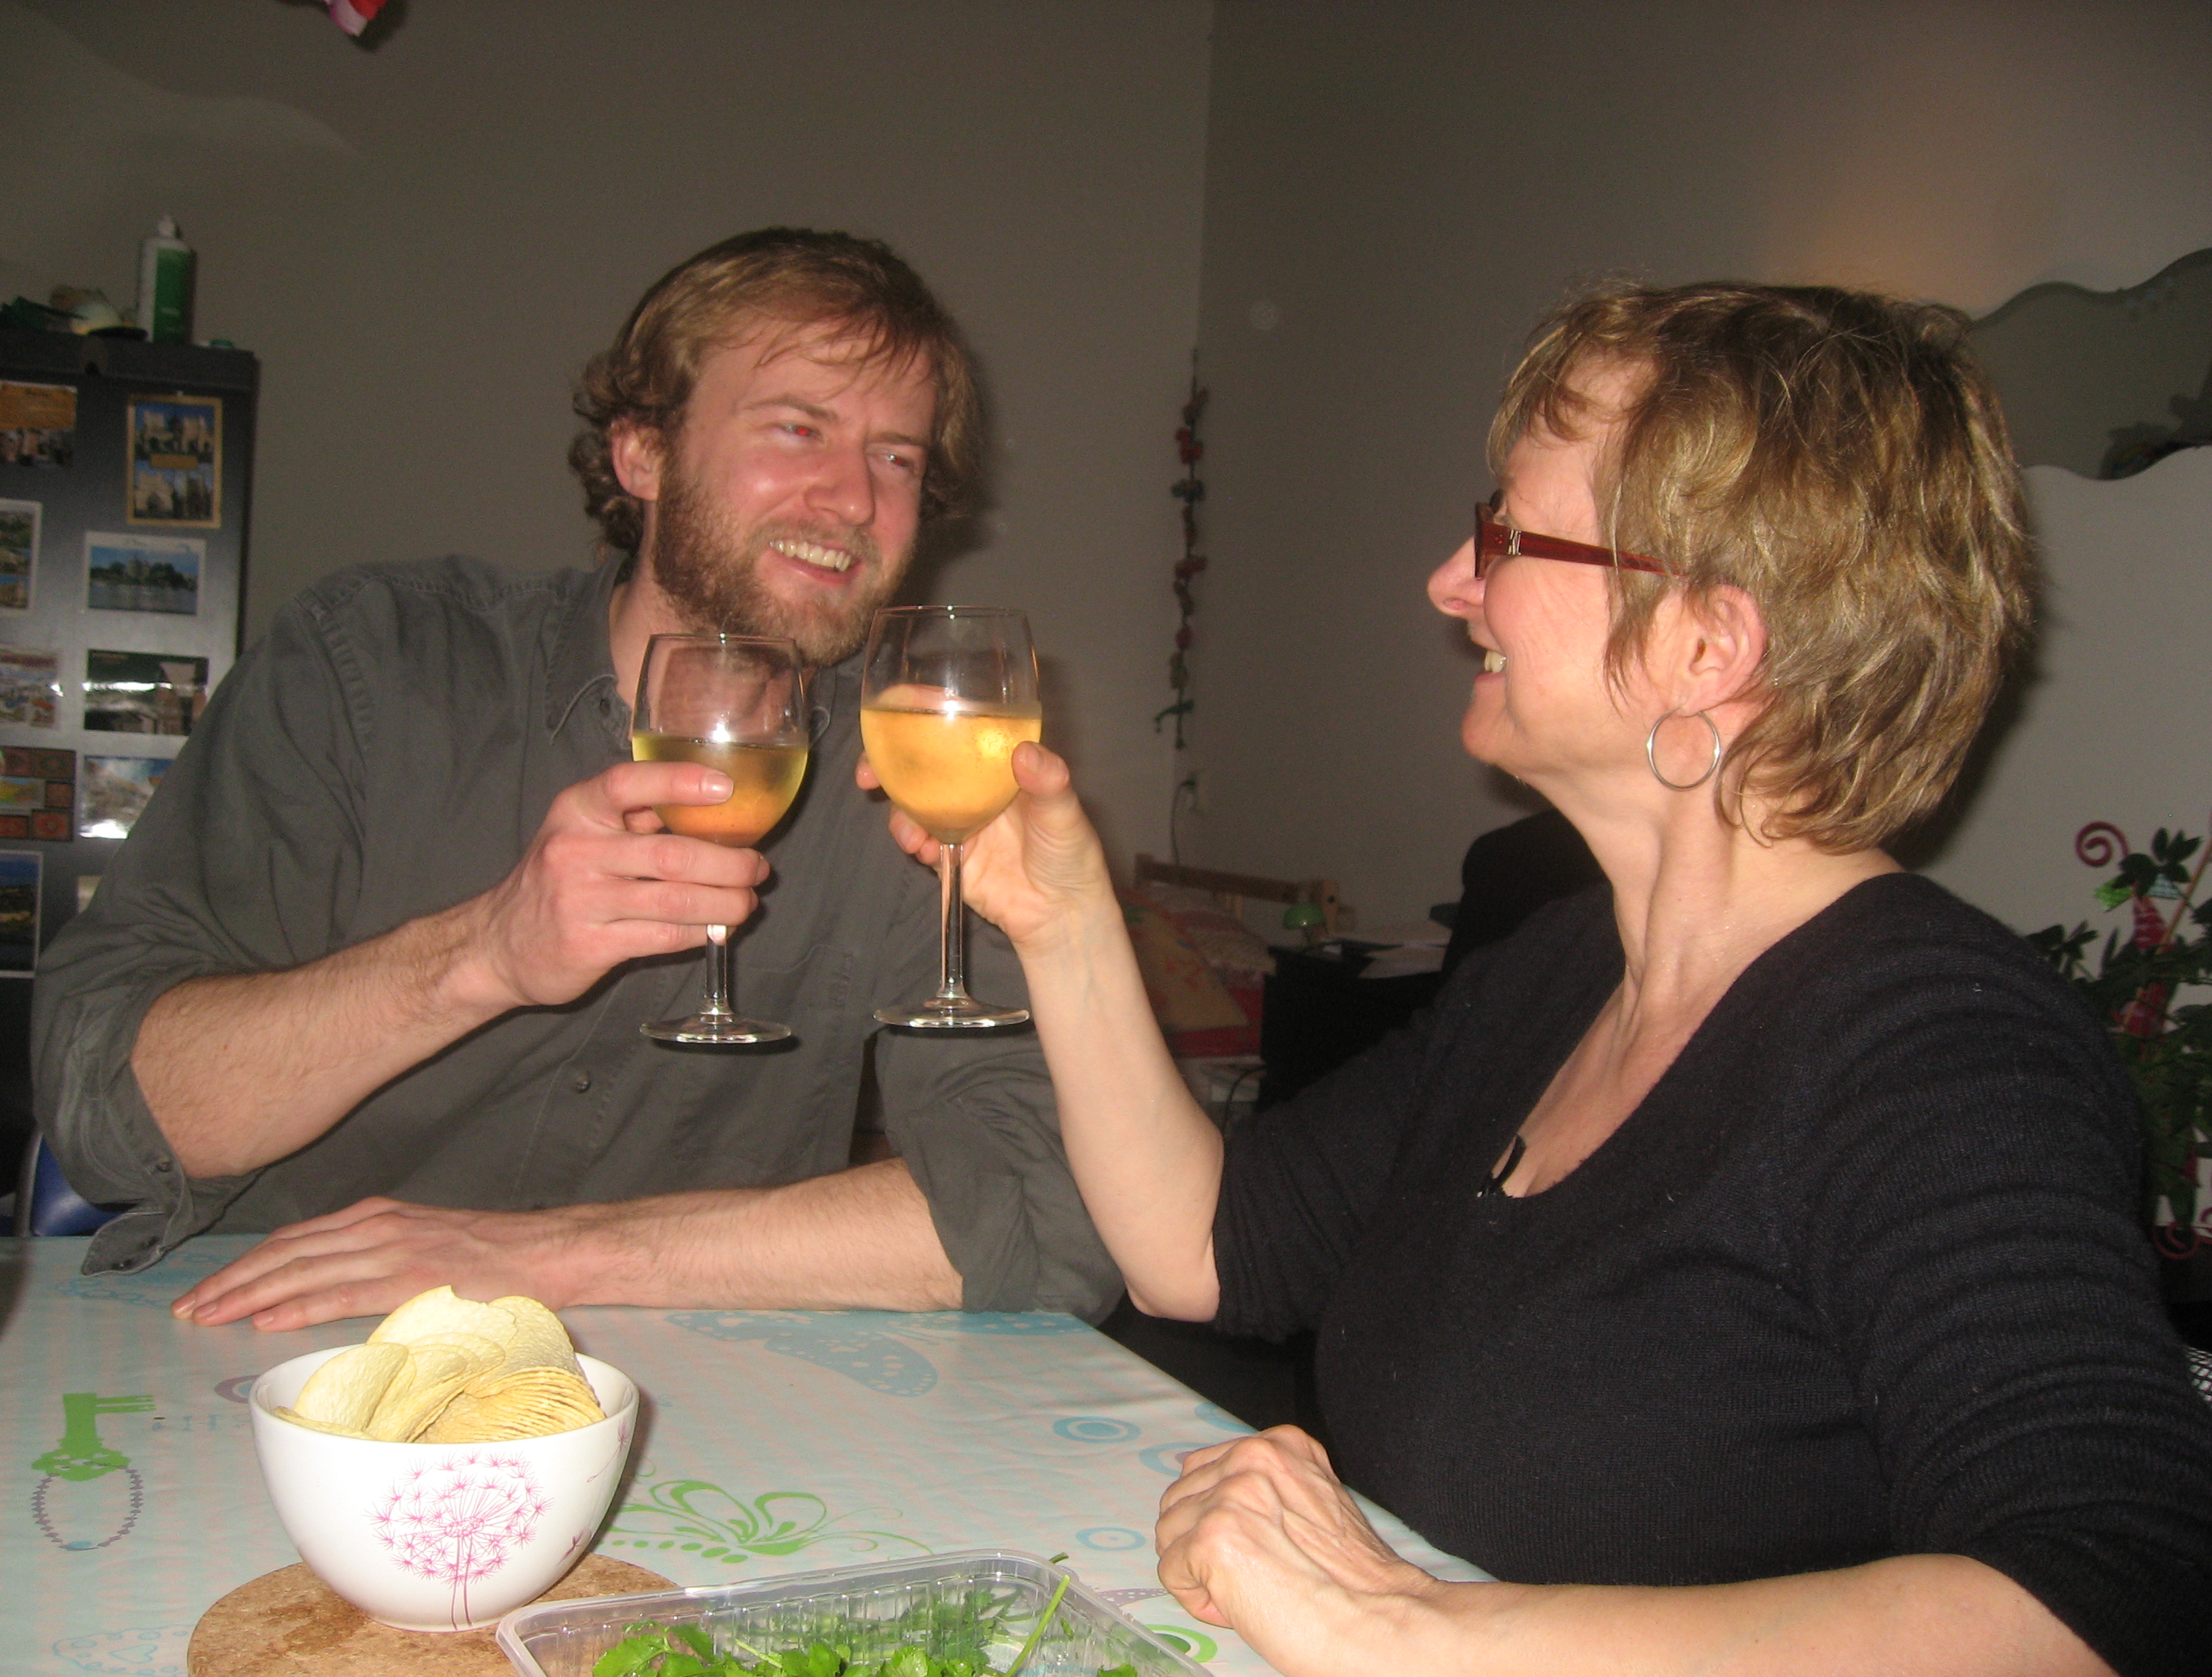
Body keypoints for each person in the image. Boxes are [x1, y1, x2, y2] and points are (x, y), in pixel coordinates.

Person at [870, 283, 2212, 1675]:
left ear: (1707, 644)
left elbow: (2111, 1589)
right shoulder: (1560, 971)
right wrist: (1064, 921)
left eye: (1506, 534)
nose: (1453, 582)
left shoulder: (1943, 1056)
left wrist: (1402, 1628)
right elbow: (1208, 1250)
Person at [33, 227, 1118, 1328]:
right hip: (288, 1354)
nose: (852, 498)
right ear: (642, 453)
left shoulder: (908, 779)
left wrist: (568, 1259)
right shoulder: (373, 664)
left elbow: (1063, 1211)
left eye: (897, 458)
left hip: (699, 1387)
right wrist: (481, 955)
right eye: (799, 427)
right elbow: (106, 1107)